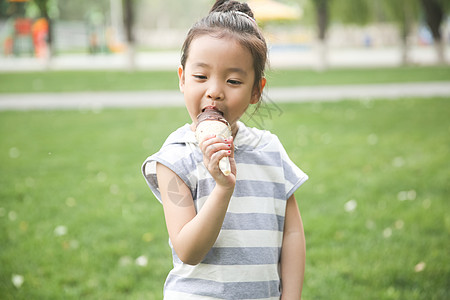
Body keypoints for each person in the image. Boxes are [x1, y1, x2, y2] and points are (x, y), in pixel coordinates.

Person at [142, 0, 308, 299]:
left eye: (233, 80)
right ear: (182, 78)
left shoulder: (269, 150)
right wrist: (222, 189)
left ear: (256, 90)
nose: (214, 90)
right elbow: (188, 250)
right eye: (201, 76)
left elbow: (292, 233)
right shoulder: (174, 158)